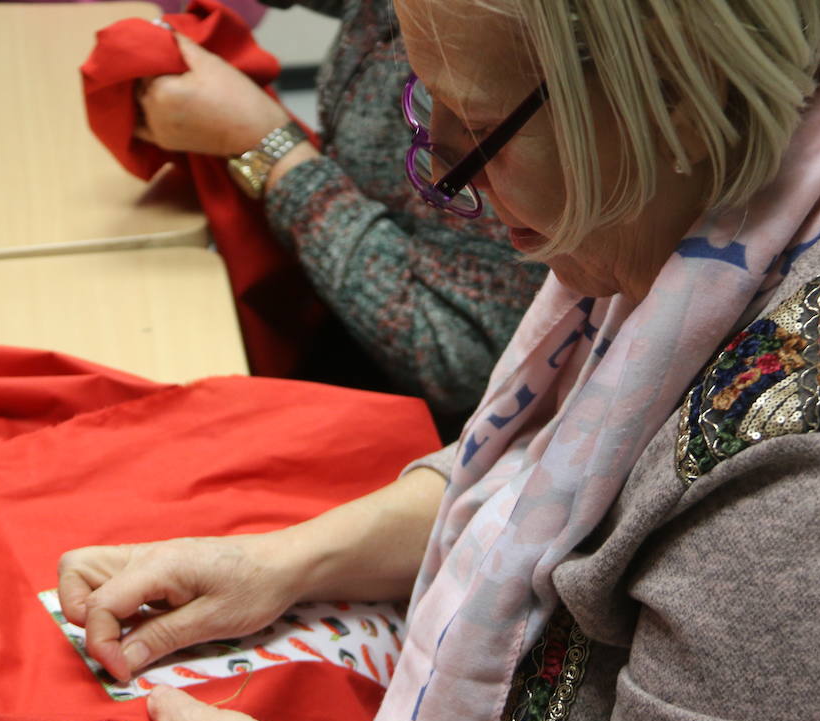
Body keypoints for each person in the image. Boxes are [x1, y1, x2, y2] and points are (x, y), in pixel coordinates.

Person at [58, 0, 820, 721]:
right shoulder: (759, 171)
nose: (440, 168)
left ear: (669, 93)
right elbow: (571, 468)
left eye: (473, 121)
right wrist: (282, 561)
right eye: (426, 103)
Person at [134, 0, 546, 430]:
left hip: (434, 425)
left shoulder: (520, 44)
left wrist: (270, 151)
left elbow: (461, 362)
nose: (439, 170)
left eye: (471, 128)